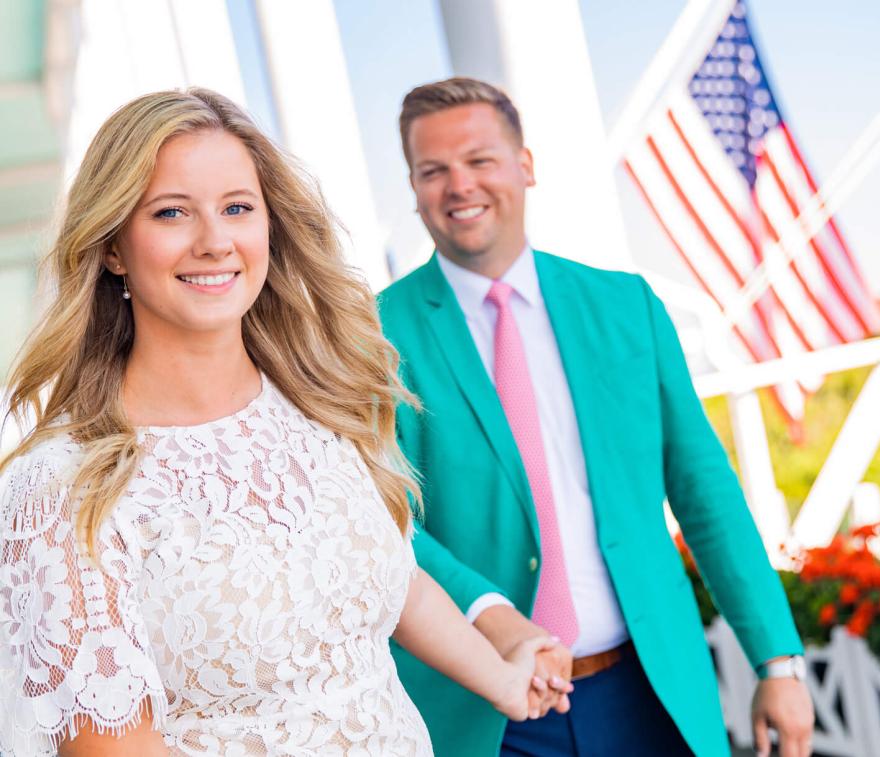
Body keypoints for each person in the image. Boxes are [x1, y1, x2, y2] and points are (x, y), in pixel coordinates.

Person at [0, 88, 555, 757]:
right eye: (172, 212)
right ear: (114, 247)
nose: (214, 241)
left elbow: (393, 576)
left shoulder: (320, 405)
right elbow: (111, 746)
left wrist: (504, 678)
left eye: (237, 208)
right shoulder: (62, 485)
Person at [379, 77, 816, 757]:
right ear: (412, 188)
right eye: (432, 171)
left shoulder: (626, 306)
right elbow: (386, 518)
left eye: (479, 160)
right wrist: (493, 620)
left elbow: (705, 492)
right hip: (482, 709)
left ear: (524, 166)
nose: (458, 185)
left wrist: (777, 662)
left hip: (647, 691)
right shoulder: (373, 336)